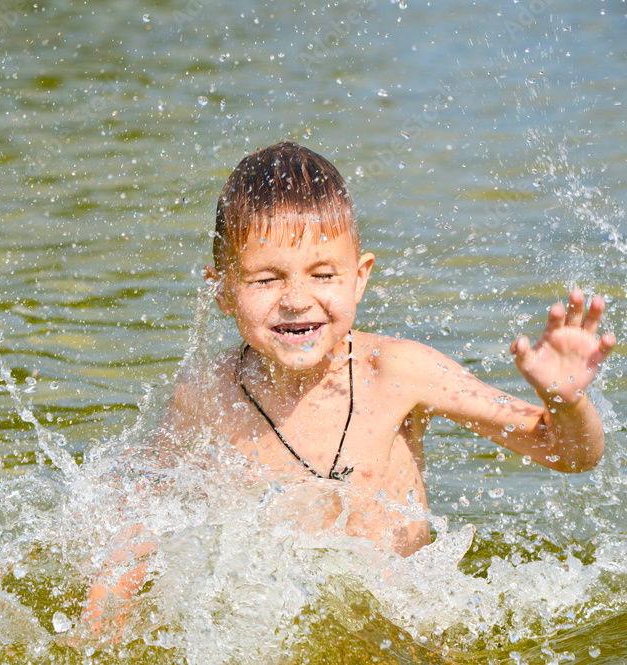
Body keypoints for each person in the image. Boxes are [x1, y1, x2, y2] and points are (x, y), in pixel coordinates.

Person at [80, 140, 616, 634]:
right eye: (266, 279)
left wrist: (565, 401)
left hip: (406, 626)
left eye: (323, 274)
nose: (296, 299)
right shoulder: (207, 393)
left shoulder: (399, 372)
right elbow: (140, 520)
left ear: (360, 277)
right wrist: (94, 634)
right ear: (222, 289)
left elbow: (568, 453)